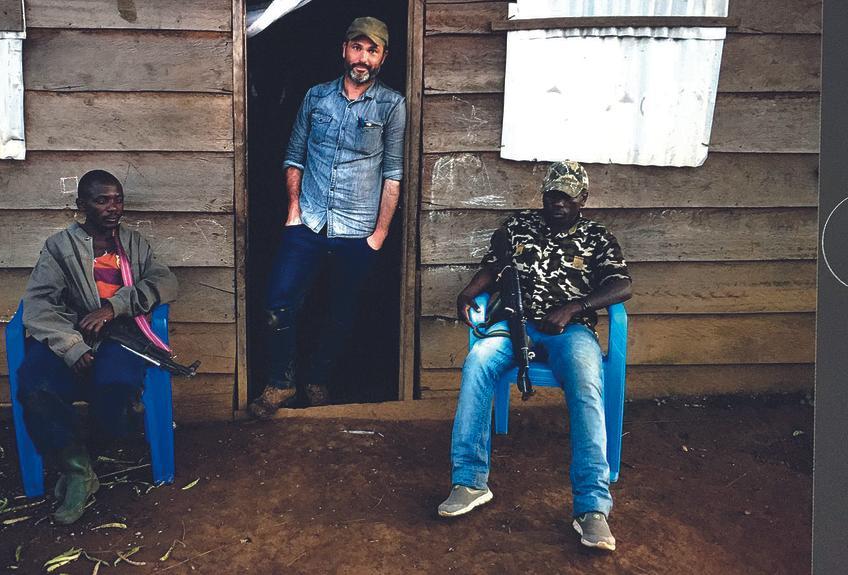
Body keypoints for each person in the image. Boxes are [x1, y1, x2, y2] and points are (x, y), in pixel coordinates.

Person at [437, 161, 632, 552]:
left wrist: (574, 308)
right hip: (513, 325)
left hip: (569, 331)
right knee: (477, 363)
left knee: (586, 384)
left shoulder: (598, 237)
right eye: (551, 194)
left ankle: (592, 508)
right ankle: (470, 481)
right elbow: (493, 268)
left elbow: (621, 284)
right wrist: (468, 291)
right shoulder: (518, 226)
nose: (557, 202)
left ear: (582, 199)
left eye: (566, 195)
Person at [248, 16, 407, 418]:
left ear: (383, 57)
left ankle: (318, 379)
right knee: (278, 303)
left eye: (373, 50)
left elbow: (392, 173)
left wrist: (380, 235)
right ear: (344, 49)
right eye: (358, 47)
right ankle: (281, 383)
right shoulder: (316, 97)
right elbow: (293, 156)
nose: (363, 57)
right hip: (310, 222)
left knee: (341, 311)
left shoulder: (392, 105)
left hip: (358, 230)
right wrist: (293, 211)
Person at [17, 169, 178, 524]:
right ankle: (78, 470)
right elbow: (40, 305)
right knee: (35, 385)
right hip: (68, 334)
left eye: (117, 199)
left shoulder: (134, 245)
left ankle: (82, 461)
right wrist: (71, 346)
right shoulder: (59, 247)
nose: (112, 207)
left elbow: (165, 281)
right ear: (82, 205)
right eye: (102, 200)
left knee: (117, 390)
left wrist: (113, 307)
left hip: (121, 335)